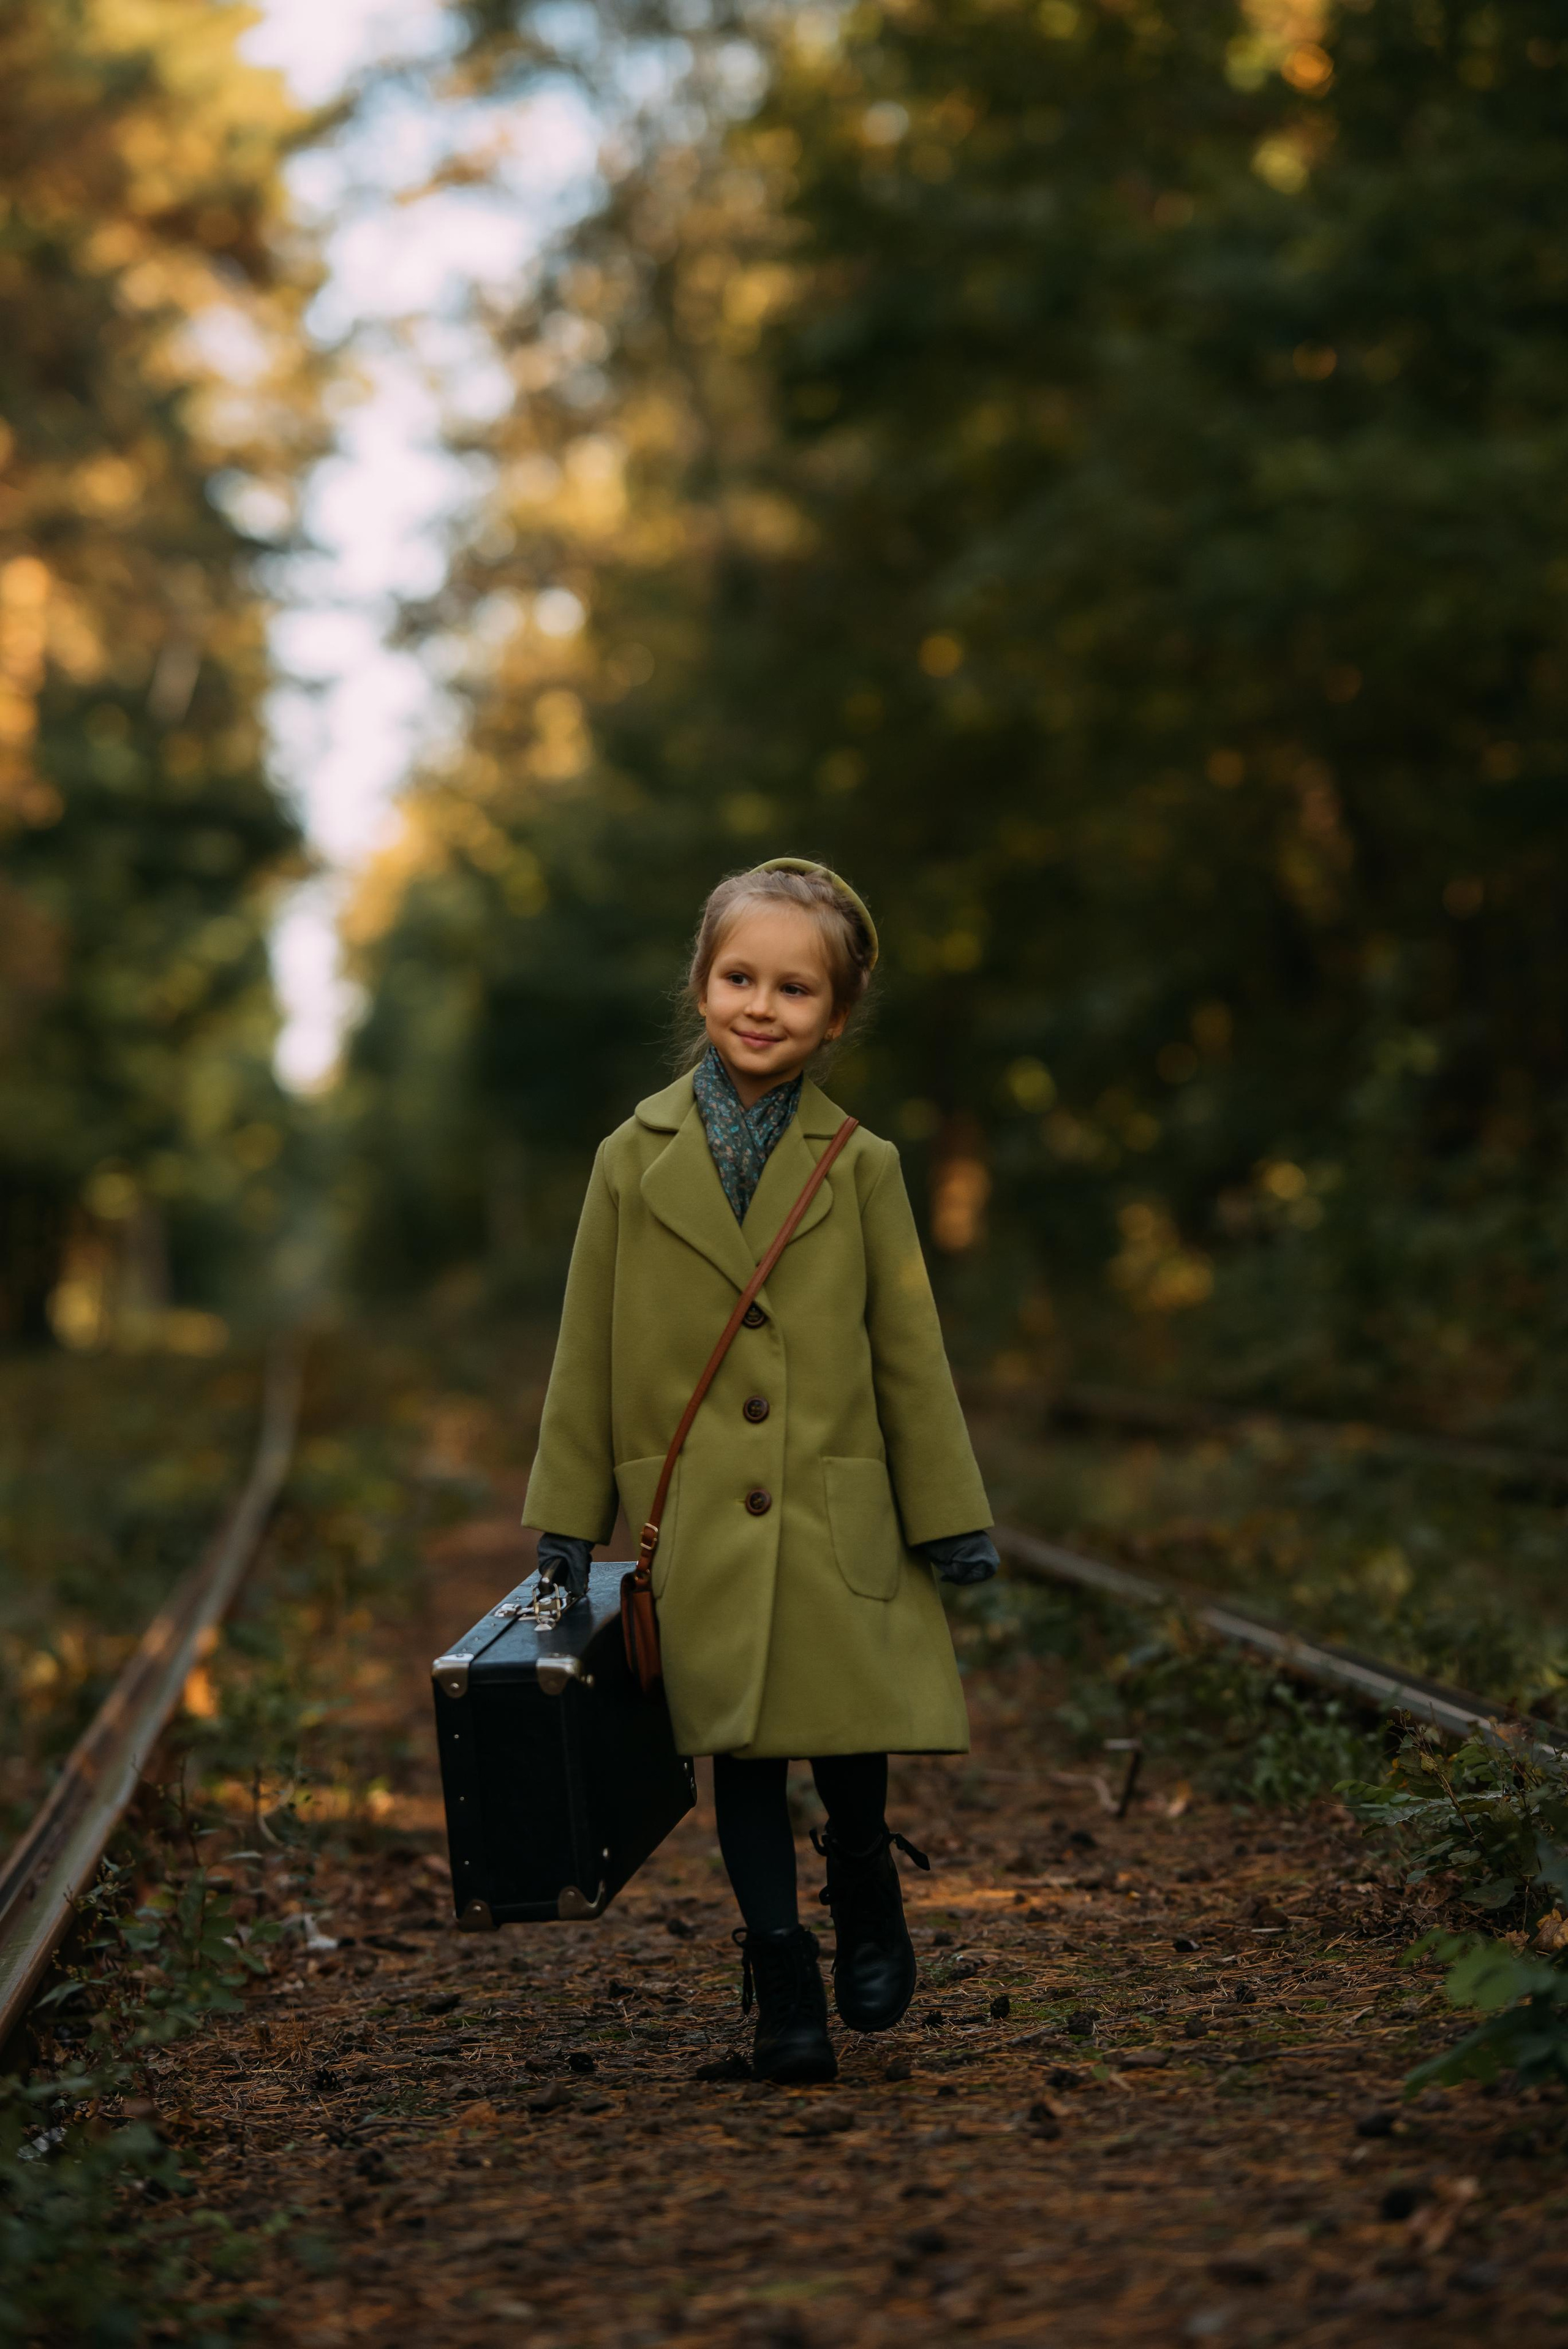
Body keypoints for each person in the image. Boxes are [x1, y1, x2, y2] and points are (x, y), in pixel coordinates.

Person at [522, 857, 998, 2082]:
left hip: (833, 1508)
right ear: (699, 983)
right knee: (734, 1753)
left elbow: (908, 1353)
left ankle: (862, 1880)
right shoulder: (629, 1160)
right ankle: (782, 1984)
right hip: (698, 1521)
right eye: (739, 977)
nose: (761, 1005)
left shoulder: (863, 1165)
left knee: (843, 1737)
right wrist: (566, 1523)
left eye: (794, 989)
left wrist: (949, 1516)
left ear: (834, 1017)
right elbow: (586, 1349)